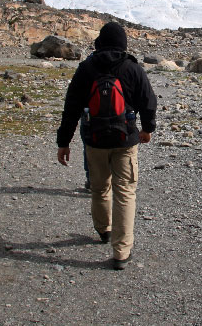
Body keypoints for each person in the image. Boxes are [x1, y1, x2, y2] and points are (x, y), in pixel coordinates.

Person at [56, 22, 157, 270]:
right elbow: (148, 101)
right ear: (123, 43)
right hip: (125, 140)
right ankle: (121, 252)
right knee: (125, 193)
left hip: (95, 140)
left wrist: (64, 142)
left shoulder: (86, 68)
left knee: (100, 188)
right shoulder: (132, 68)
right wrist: (147, 129)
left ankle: (103, 230)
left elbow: (71, 109)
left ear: (100, 41)